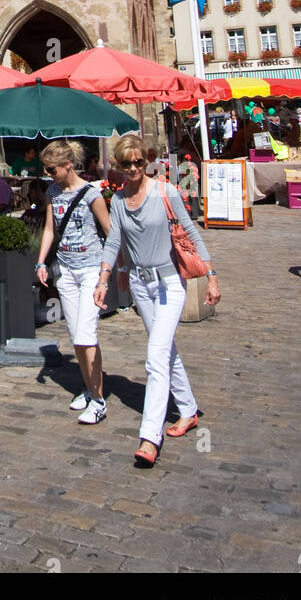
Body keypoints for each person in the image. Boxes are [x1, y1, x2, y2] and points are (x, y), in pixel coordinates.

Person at [94, 134, 220, 467]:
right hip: (140, 284)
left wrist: (211, 275)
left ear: (146, 161)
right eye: (127, 164)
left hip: (169, 283)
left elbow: (191, 232)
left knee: (155, 357)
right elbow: (114, 242)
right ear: (118, 167)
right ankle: (189, 409)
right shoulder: (118, 201)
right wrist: (106, 278)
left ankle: (149, 437)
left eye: (139, 162)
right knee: (165, 351)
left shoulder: (165, 191)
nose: (134, 169)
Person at [36, 140, 111, 425]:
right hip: (66, 272)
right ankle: (89, 388)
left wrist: (110, 272)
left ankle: (99, 399)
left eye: (52, 169)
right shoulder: (52, 192)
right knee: (75, 334)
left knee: (86, 334)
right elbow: (49, 229)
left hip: (91, 270)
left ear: (68, 165)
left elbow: (109, 231)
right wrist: (41, 262)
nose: (48, 174)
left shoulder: (92, 194)